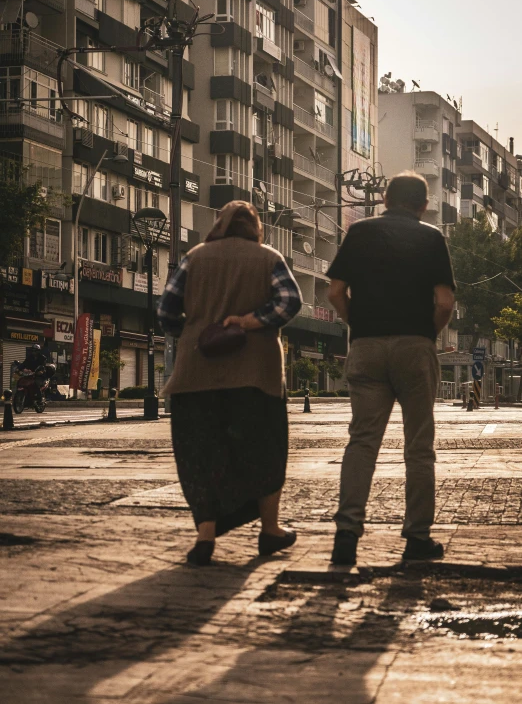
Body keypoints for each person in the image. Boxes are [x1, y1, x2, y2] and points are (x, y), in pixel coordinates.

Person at [157, 201, 302, 566]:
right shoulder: (268, 257)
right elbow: (289, 302)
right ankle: (270, 530)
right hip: (257, 377)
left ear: (218, 224)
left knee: (200, 454)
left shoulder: (194, 257)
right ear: (256, 228)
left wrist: (191, 332)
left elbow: (166, 312)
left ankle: (206, 536)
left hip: (195, 375)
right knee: (265, 452)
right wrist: (251, 321)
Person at [327, 172, 456, 565]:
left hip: (366, 347)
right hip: (415, 347)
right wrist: (425, 335)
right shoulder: (432, 238)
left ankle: (346, 535)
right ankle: (417, 538)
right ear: (423, 205)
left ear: (384, 199)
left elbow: (335, 291)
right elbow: (445, 301)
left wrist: (359, 327)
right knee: (419, 448)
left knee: (362, 441)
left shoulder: (360, 232)